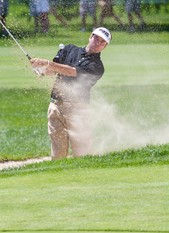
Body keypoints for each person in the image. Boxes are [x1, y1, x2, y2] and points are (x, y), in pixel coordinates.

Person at [30, 27, 112, 160]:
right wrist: (42, 69)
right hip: (55, 107)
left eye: (102, 42)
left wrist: (47, 64)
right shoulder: (69, 49)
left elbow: (72, 72)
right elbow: (52, 71)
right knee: (58, 153)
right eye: (96, 38)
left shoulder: (97, 66)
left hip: (77, 110)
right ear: (90, 37)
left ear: (105, 47)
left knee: (81, 154)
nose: (98, 42)